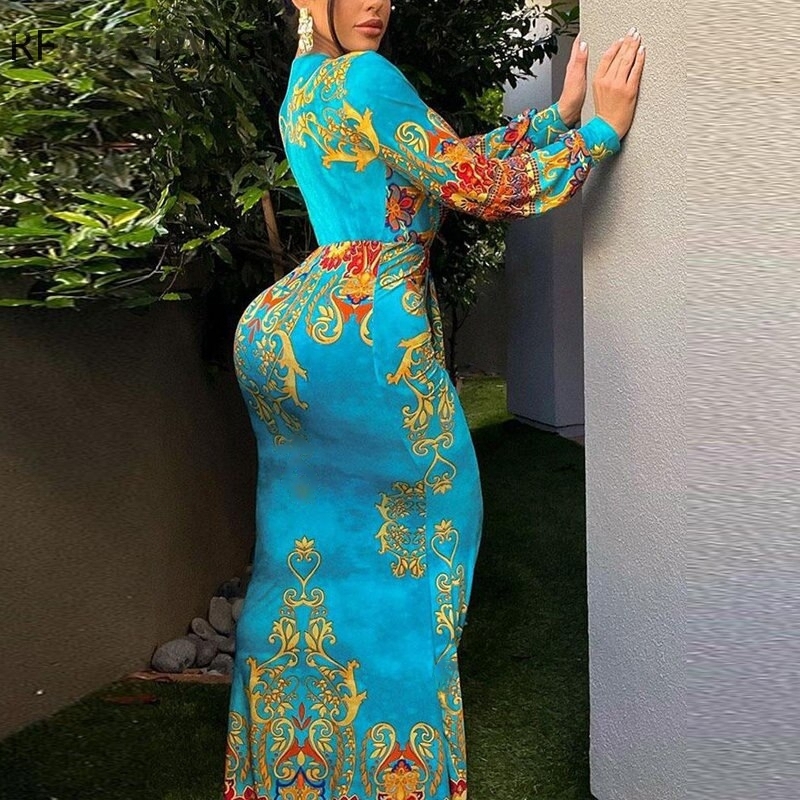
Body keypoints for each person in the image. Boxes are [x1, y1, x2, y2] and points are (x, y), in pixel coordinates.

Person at [223, 2, 644, 798]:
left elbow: (437, 159)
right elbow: (476, 187)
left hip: (291, 333)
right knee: (428, 542)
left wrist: (552, 119)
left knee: (305, 553)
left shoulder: (303, 82)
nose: (376, 3)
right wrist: (599, 134)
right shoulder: (366, 77)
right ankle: (396, 775)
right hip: (371, 335)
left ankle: (289, 769)